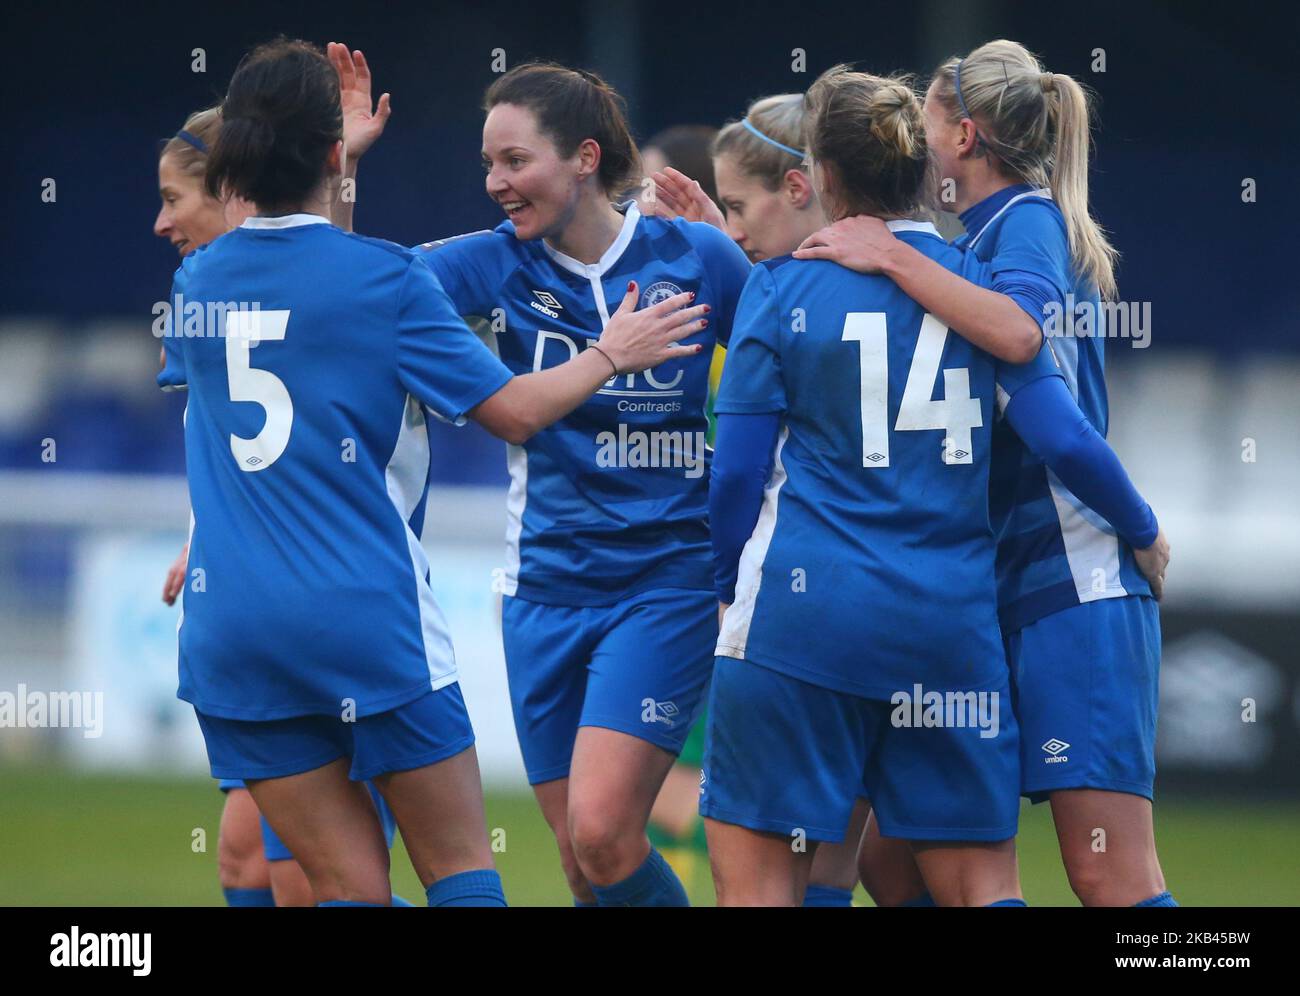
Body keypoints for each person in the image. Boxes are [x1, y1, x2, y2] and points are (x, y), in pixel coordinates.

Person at [163, 38, 704, 907]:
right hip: (362, 620)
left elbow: (299, 289)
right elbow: (514, 411)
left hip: (232, 632)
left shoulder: (194, 285)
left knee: (344, 886)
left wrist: (335, 174)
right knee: (459, 870)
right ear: (333, 152)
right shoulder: (387, 282)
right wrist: (609, 352)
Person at [703, 65, 1163, 906]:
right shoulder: (971, 285)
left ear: (825, 177)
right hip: (951, 622)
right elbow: (1046, 403)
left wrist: (719, 582)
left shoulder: (786, 284)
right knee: (967, 881)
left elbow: (736, 471)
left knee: (770, 878)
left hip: (809, 614)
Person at [334, 50, 751, 906]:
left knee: (604, 834)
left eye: (515, 160)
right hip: (542, 592)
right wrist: (341, 170)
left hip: (664, 585)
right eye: (489, 162)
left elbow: (797, 341)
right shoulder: (492, 265)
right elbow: (348, 294)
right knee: (578, 864)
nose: (495, 181)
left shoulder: (698, 256)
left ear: (586, 158)